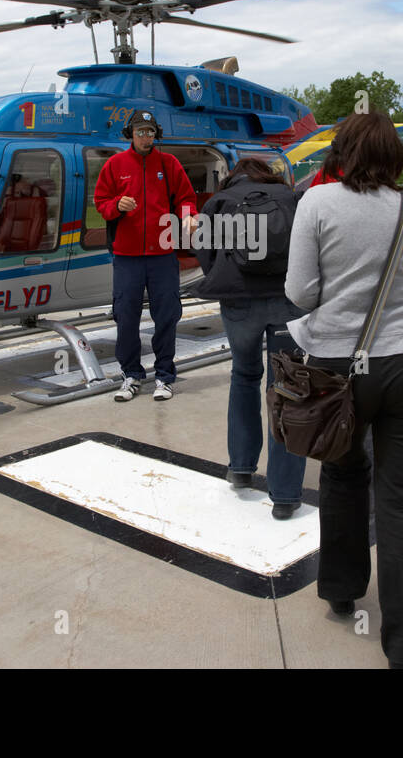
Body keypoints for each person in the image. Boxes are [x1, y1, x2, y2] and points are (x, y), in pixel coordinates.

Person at [284, 111, 403, 669]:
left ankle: (341, 585)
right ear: (397, 156)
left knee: (343, 474)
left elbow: (301, 292)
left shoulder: (318, 203)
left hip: (337, 369)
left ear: (342, 153)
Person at [192, 157, 308, 519]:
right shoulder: (289, 197)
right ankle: (286, 494)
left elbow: (204, 251)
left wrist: (227, 278)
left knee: (244, 377)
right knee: (287, 387)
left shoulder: (220, 201)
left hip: (239, 302)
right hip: (286, 301)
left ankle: (241, 467)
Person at [94, 109, 197, 402]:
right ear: (131, 134)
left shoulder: (169, 163)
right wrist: (117, 205)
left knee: (167, 316)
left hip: (163, 255)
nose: (145, 137)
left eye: (150, 132)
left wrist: (188, 216)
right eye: (140, 131)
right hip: (127, 256)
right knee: (126, 316)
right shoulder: (115, 165)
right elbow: (101, 202)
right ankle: (131, 375)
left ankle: (164, 376)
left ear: (156, 134)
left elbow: (186, 198)